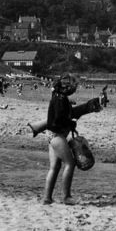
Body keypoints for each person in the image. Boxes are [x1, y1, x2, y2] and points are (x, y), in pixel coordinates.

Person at [44, 73, 81, 205]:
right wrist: (71, 123)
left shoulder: (56, 96)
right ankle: (66, 196)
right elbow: (58, 120)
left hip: (50, 134)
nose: (75, 90)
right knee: (70, 163)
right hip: (57, 135)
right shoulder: (61, 99)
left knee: (55, 166)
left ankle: (47, 198)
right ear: (67, 87)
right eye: (74, 87)